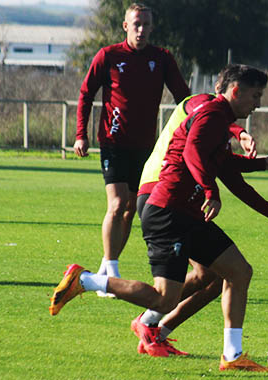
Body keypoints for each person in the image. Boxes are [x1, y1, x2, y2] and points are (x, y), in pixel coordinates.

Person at [50, 64, 268, 372]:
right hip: (168, 211)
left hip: (189, 213)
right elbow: (193, 154)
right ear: (235, 90)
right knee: (163, 299)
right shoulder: (211, 114)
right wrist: (210, 191)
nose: (259, 103)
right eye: (255, 95)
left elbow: (227, 170)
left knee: (239, 272)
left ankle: (231, 355)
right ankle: (85, 280)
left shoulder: (220, 120)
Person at [129, 81, 257, 357]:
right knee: (175, 288)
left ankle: (155, 328)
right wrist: (240, 132)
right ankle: (96, 285)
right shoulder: (200, 102)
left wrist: (263, 164)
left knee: (216, 275)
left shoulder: (219, 121)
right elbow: (201, 126)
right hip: (159, 188)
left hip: (184, 198)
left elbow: (228, 169)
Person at [74, 3, 190, 295]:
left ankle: (106, 265)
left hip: (146, 149)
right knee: (116, 204)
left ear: (152, 27)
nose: (141, 29)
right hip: (112, 143)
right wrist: (80, 135)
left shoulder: (161, 59)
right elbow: (86, 94)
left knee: (130, 209)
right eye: (136, 24)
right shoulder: (109, 56)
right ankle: (111, 273)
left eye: (146, 24)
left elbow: (184, 99)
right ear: (125, 26)